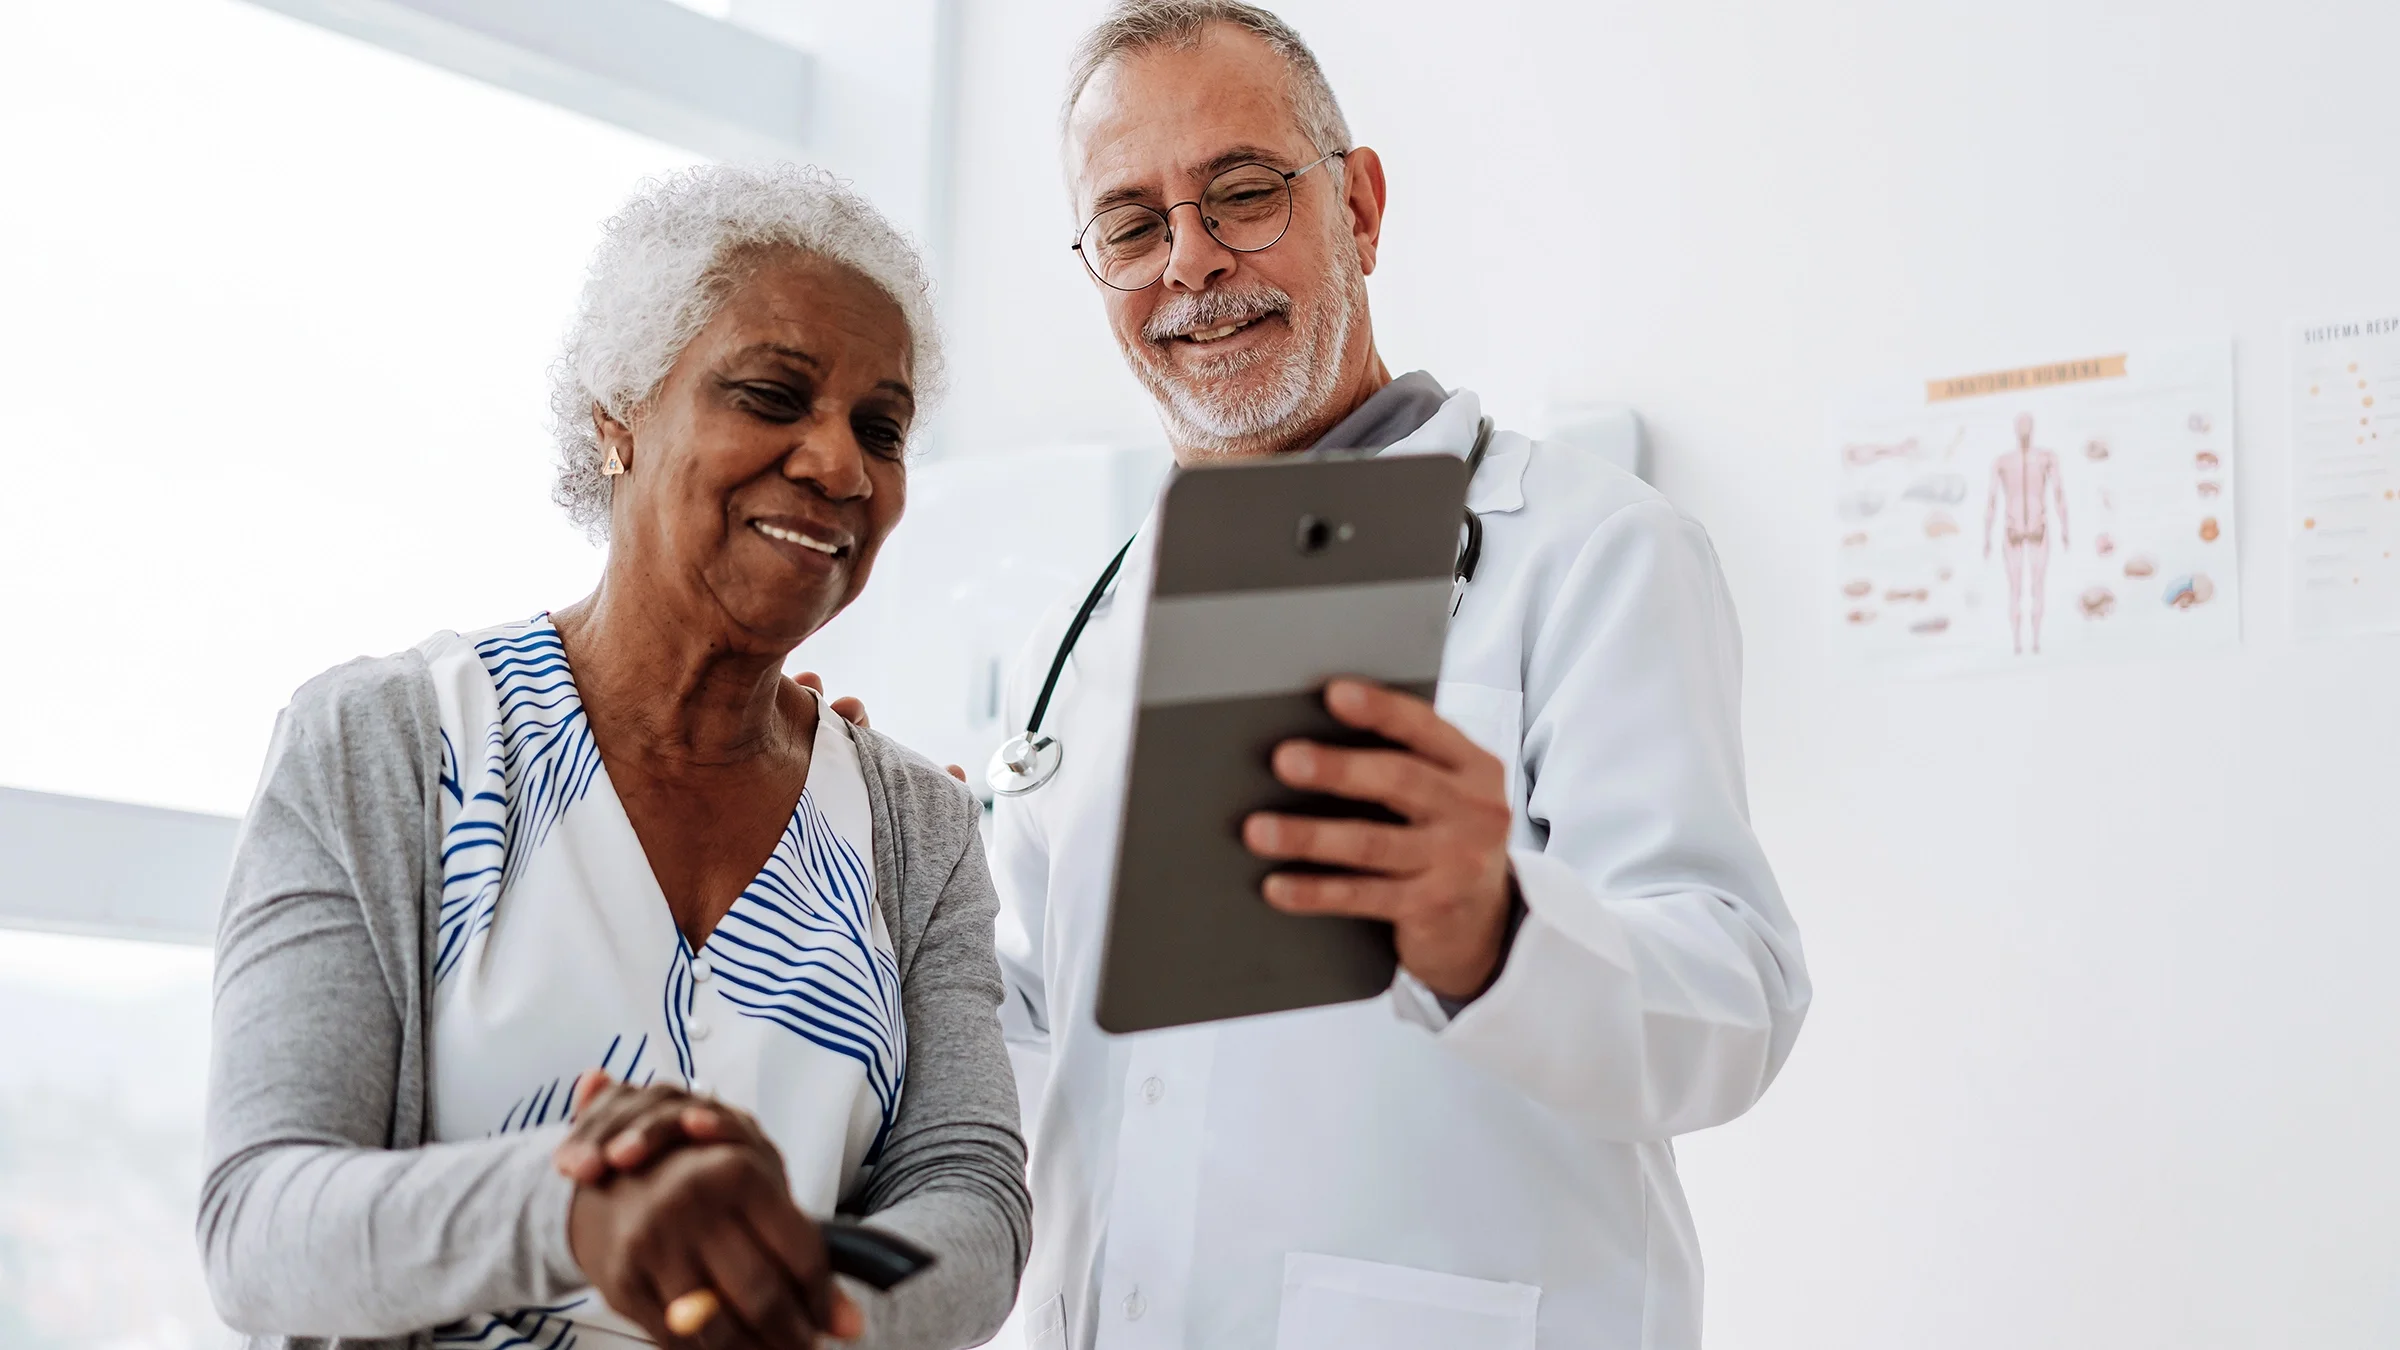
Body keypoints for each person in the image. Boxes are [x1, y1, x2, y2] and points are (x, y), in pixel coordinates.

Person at [989, 5, 1814, 1347]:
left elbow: (1736, 996)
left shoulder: (1593, 552)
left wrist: (1497, 930)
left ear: (1360, 209)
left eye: (1244, 194)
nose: (1192, 262)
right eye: (1133, 226)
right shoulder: (1071, 640)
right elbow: (1035, 1033)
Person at [199, 165, 1028, 1350]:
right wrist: (580, 1206)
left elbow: (976, 1201)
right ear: (618, 414)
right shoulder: (388, 745)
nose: (839, 465)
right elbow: (260, 1226)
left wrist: (800, 1304)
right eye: (773, 395)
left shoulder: (915, 827)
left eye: (879, 428)